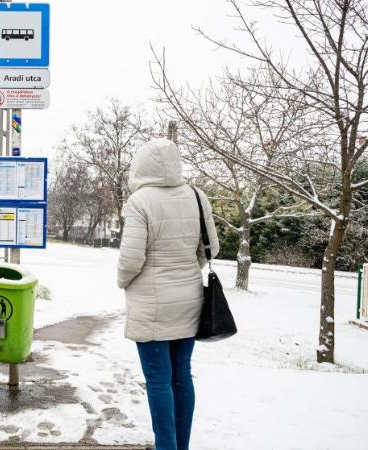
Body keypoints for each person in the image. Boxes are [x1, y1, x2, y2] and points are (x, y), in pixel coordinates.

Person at [117, 138, 219, 450]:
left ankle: (166, 446)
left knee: (159, 380)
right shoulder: (196, 196)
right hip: (189, 302)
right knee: (181, 376)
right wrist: (188, 268)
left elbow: (131, 260)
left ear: (141, 165)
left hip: (151, 307)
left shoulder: (140, 201)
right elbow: (210, 249)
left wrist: (123, 281)